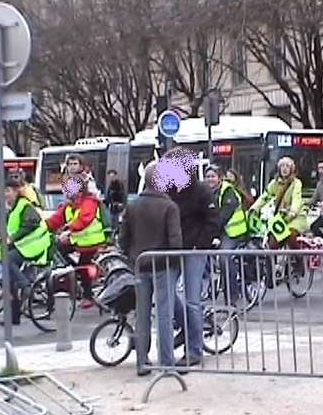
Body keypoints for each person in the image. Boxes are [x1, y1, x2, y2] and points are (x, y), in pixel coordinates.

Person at [118, 161, 183, 376]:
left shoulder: (133, 205)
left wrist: (132, 256)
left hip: (140, 264)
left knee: (142, 314)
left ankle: (142, 361)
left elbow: (123, 238)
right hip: (163, 264)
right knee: (164, 314)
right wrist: (176, 262)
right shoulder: (169, 207)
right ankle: (166, 362)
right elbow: (176, 241)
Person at [164, 148, 221, 368]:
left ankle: (194, 350)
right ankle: (186, 327)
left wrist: (200, 243)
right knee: (166, 296)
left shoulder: (201, 191)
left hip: (194, 250)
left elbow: (213, 220)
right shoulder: (167, 189)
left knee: (192, 301)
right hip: (172, 249)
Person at [0, 179, 52, 324]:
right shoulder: (9, 208)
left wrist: (12, 238)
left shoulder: (25, 205)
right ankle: (14, 317)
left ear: (17, 191)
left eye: (8, 191)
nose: (5, 194)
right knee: (8, 281)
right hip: (21, 245)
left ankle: (25, 285)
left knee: (7, 260)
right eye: (3, 191)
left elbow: (31, 224)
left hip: (34, 245)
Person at [45, 174, 106, 309]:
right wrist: (42, 227)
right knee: (58, 250)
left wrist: (69, 229)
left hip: (91, 241)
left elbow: (84, 219)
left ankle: (88, 296)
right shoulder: (69, 205)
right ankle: (71, 273)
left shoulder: (89, 202)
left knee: (83, 266)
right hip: (77, 240)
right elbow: (55, 220)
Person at [250, 156, 308, 280]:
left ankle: (299, 260)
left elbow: (297, 198)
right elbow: (265, 196)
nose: (285, 169)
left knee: (291, 235)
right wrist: (254, 208)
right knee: (271, 245)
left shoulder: (296, 183)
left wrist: (293, 211)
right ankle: (270, 275)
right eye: (282, 166)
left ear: (292, 169)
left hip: (296, 217)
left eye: (287, 166)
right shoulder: (274, 183)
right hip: (280, 218)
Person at [205, 165, 248, 305]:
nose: (210, 179)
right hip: (217, 230)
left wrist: (211, 231)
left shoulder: (228, 191)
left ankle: (232, 296)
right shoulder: (205, 192)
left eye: (213, 176)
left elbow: (224, 216)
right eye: (208, 177)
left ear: (220, 177)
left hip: (233, 232)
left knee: (224, 258)